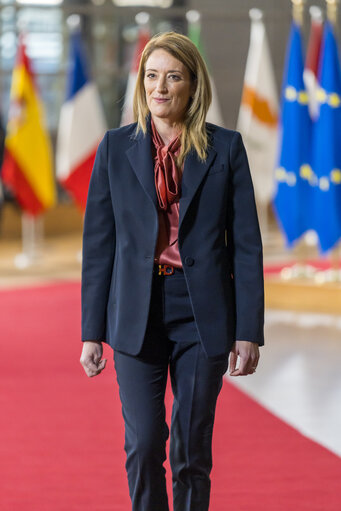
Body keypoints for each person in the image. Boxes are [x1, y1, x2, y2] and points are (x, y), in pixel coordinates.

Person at [80, 31, 264, 511]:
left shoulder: (227, 149)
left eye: (173, 76)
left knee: (190, 450)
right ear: (141, 83)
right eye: (151, 76)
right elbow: (99, 247)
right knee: (142, 446)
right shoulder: (114, 148)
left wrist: (249, 331)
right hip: (135, 312)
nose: (160, 87)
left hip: (202, 313)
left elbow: (245, 247)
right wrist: (90, 332)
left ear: (192, 85)